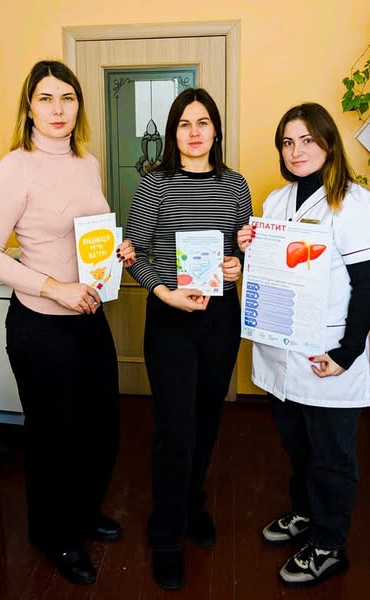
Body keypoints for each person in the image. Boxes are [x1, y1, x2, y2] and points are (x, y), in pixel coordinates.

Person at [0, 60, 136, 585]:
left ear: (78, 105)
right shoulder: (14, 168)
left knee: (100, 427)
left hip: (88, 317)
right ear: (29, 107)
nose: (58, 109)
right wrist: (53, 286)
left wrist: (115, 254)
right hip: (40, 326)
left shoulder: (87, 163)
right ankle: (57, 536)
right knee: (54, 437)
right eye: (46, 98)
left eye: (67, 97)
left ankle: (83, 514)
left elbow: (85, 236)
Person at [237, 102, 370, 587]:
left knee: (331, 456)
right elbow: (271, 270)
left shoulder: (353, 203)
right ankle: (305, 513)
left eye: (306, 140)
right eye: (287, 142)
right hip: (282, 349)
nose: (295, 151)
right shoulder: (276, 201)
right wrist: (249, 247)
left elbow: (367, 287)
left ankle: (328, 545)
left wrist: (346, 354)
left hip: (327, 354)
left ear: (327, 143)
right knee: (297, 445)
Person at [125, 87, 253, 590]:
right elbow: (134, 254)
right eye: (184, 124)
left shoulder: (235, 185)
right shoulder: (153, 185)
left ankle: (192, 503)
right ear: (172, 132)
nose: (194, 132)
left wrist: (236, 263)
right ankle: (164, 532)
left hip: (220, 317)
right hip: (170, 317)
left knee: (206, 419)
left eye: (203, 123)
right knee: (175, 427)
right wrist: (164, 293)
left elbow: (242, 250)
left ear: (215, 130)